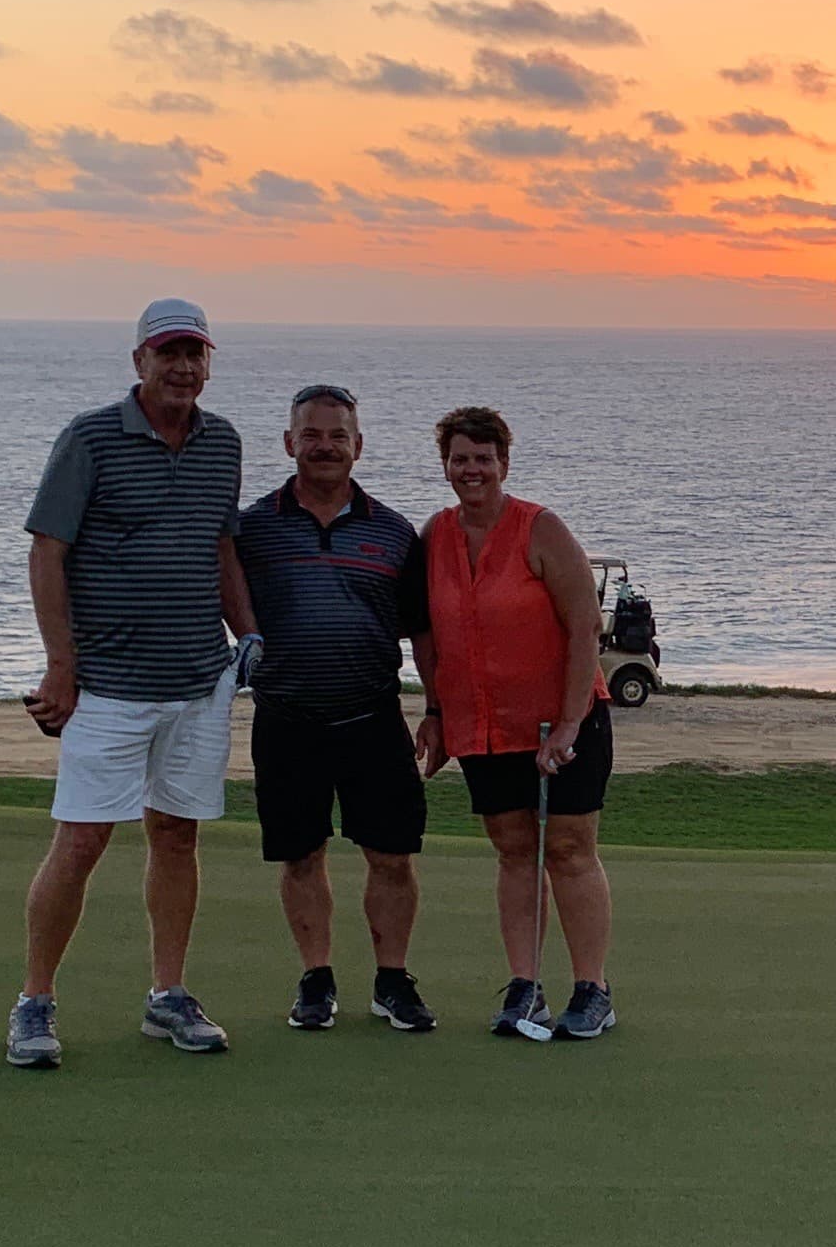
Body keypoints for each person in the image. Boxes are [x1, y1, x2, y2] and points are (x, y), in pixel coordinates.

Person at [10, 297, 254, 1066]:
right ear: (139, 362)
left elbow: (222, 552)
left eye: (196, 354)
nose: (183, 368)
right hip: (109, 685)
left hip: (194, 684)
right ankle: (35, 1002)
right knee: (82, 840)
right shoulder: (90, 437)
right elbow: (47, 551)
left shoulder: (223, 443)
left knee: (176, 836)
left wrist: (248, 638)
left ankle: (168, 996)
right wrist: (61, 665)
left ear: (208, 361)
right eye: (168, 353)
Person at [231, 383, 438, 1036]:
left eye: (338, 435)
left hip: (372, 717)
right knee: (301, 855)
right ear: (290, 443)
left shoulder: (395, 532)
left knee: (392, 855)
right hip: (287, 718)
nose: (325, 447)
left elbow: (424, 630)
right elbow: (219, 604)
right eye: (312, 435)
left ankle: (391, 980)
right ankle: (316, 980)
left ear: (358, 445)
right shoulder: (252, 528)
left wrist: (436, 708)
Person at [416, 403, 614, 1041]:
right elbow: (429, 635)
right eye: (459, 459)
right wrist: (437, 713)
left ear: (503, 462)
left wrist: (568, 723)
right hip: (482, 727)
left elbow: (585, 626)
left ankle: (592, 991)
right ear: (446, 465)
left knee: (568, 849)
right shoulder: (435, 536)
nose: (471, 469)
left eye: (483, 458)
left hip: (563, 723)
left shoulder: (540, 529)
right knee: (513, 851)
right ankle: (525, 987)